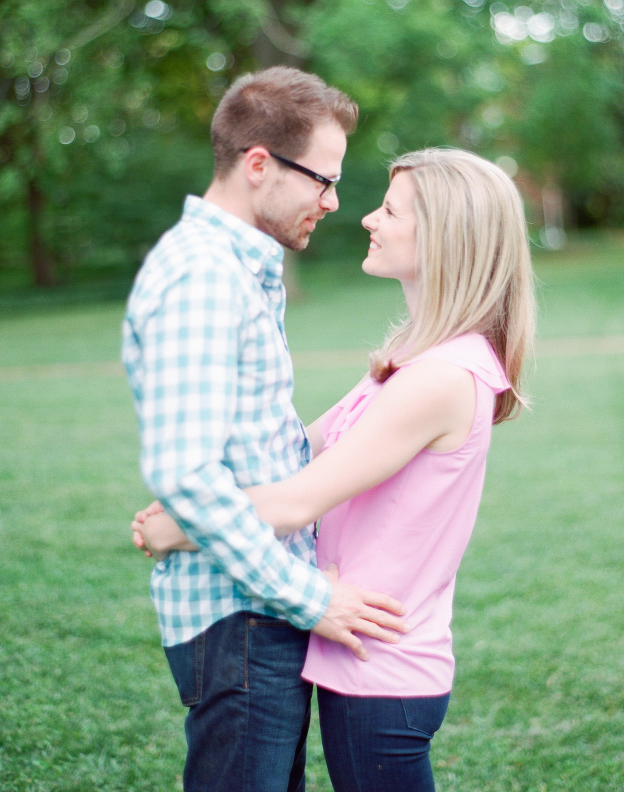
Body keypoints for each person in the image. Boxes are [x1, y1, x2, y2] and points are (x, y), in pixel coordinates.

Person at [136, 147, 536, 791]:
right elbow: (303, 447)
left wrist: (178, 526)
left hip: (383, 663)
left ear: (445, 238)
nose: (368, 219)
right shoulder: (411, 354)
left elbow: (298, 502)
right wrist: (200, 487)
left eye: (391, 210)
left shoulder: (440, 377)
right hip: (351, 649)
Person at [123, 66, 409, 792]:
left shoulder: (240, 269)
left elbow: (256, 444)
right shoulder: (204, 277)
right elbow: (188, 476)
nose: (335, 201)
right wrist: (312, 597)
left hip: (258, 607)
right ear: (258, 164)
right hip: (243, 616)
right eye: (322, 179)